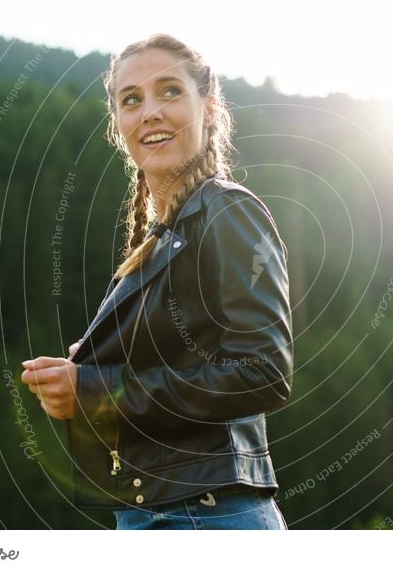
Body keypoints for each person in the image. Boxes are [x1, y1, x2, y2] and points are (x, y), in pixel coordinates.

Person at [20, 33, 293, 530]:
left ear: (208, 108)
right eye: (131, 100)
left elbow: (264, 371)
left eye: (169, 91)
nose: (149, 111)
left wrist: (93, 390)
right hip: (159, 515)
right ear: (118, 124)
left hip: (206, 518)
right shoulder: (159, 239)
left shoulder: (227, 211)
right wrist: (97, 363)